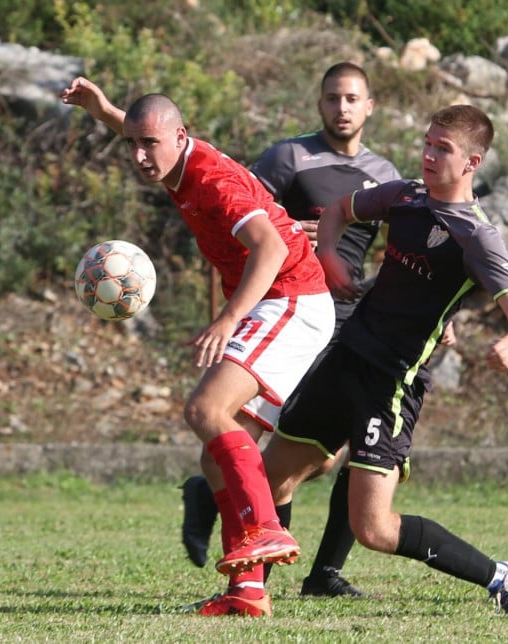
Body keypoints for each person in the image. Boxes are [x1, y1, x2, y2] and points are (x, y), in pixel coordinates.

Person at [61, 78, 336, 618]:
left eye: (150, 145)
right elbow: (145, 132)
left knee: (205, 409)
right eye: (132, 145)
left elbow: (272, 246)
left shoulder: (211, 180)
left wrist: (227, 319)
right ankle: (248, 593)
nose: (141, 156)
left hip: (290, 298)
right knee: (217, 465)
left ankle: (266, 529)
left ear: (180, 136)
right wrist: (103, 110)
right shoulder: (172, 156)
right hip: (280, 301)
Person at [258, 104, 508, 619]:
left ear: (472, 162)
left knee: (375, 530)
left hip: (391, 382)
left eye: (443, 149)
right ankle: (250, 595)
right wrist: (330, 260)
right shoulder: (406, 195)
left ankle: (502, 576)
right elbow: (340, 210)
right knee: (269, 477)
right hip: (344, 358)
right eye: (428, 142)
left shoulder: (476, 235)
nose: (429, 155)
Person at [179, 61, 405, 598]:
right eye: (332, 98)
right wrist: (291, 227)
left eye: (352, 98)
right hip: (296, 309)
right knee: (286, 443)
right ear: (319, 102)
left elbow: (403, 250)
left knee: (341, 450)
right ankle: (256, 568)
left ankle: (318, 571)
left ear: (369, 106)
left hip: (353, 323)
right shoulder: (289, 157)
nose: (341, 107)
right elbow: (245, 210)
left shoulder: (385, 173)